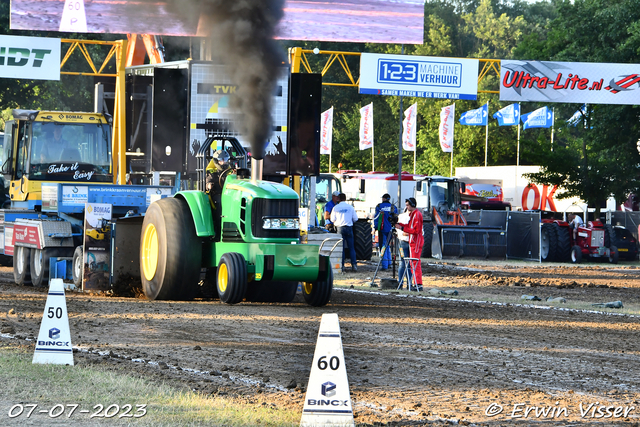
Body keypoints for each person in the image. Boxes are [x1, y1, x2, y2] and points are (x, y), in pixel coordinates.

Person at [395, 197, 423, 291]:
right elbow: (411, 228)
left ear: (412, 205)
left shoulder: (416, 215)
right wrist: (400, 226)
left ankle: (418, 284)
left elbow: (416, 230)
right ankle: (415, 283)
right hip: (412, 241)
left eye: (408, 205)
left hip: (415, 241)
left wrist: (402, 228)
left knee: (414, 263)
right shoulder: (414, 214)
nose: (406, 207)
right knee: (412, 263)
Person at [331, 193, 358, 272]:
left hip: (340, 228)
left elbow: (332, 219)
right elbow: (355, 219)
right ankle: (354, 265)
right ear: (345, 199)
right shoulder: (350, 207)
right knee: (351, 248)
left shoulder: (335, 208)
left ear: (339, 199)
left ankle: (341, 266)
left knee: (341, 248)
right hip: (349, 228)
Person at [374, 193, 398, 270]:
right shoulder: (393, 207)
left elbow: (376, 218)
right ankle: (389, 263)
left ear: (383, 199)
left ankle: (385, 265)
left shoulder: (379, 206)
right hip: (390, 229)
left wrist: (375, 227)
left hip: (382, 229)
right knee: (387, 246)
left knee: (383, 246)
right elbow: (396, 218)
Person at [396, 210, 412, 289]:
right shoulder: (402, 217)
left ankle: (404, 283)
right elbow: (399, 230)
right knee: (404, 263)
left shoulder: (414, 217)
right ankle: (404, 283)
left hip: (409, 242)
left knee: (406, 264)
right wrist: (410, 232)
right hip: (404, 241)